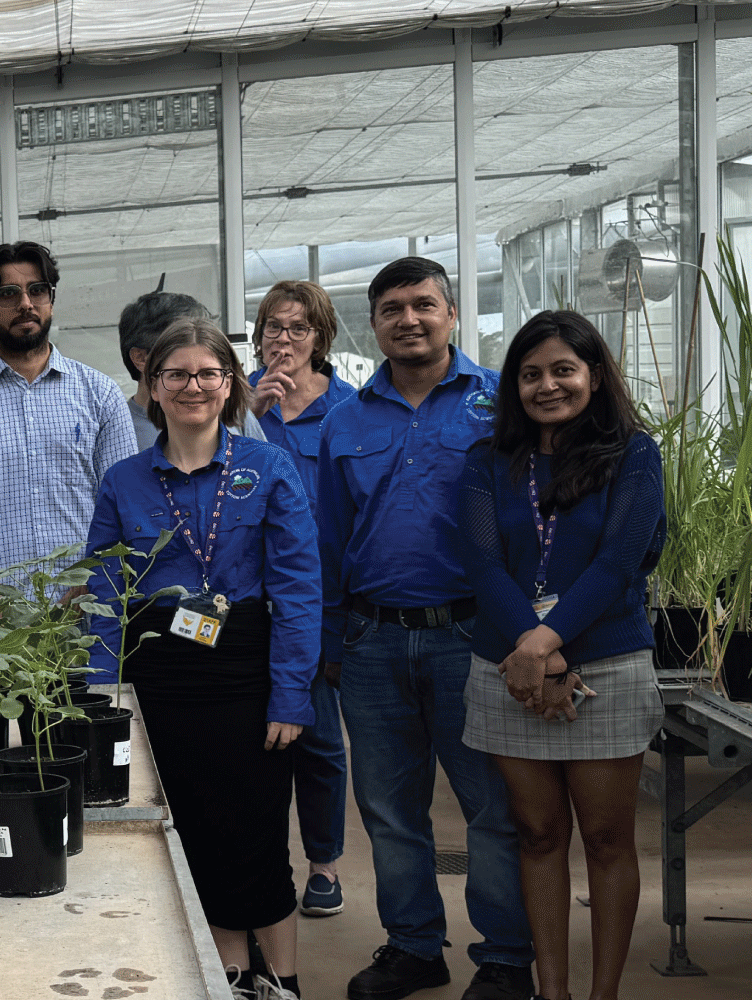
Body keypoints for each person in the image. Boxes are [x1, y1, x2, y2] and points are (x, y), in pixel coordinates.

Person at [319, 257, 535, 1000]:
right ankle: (414, 946)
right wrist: (330, 640)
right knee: (387, 808)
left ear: (450, 313)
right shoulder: (345, 419)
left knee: (490, 807)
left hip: (475, 637)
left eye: (423, 305)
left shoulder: (500, 404)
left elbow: (531, 522)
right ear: (373, 323)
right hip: (372, 640)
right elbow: (328, 538)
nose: (408, 320)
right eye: (391, 309)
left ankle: (506, 958)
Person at [84, 317, 317, 1000]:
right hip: (158, 672)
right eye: (176, 374)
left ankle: (283, 981)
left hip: (248, 668)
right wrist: (106, 699)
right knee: (188, 828)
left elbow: (300, 589)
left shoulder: (268, 468)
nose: (193, 386)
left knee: (257, 828)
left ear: (230, 385)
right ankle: (227, 977)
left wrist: (291, 695)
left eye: (208, 373)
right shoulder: (124, 480)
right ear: (151, 387)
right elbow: (103, 593)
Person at [457, 311, 665, 1000]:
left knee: (607, 840)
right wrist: (533, 654)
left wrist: (544, 645)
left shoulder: (634, 454)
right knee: (538, 834)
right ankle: (553, 992)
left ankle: (601, 995)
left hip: (603, 664)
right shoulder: (486, 462)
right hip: (510, 671)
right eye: (530, 373)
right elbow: (484, 568)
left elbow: (618, 564)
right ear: (513, 385)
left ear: (595, 375)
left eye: (563, 370)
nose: (547, 385)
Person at [0, 241, 137, 605]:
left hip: (90, 620)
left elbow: (127, 508)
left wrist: (84, 593)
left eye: (37, 290)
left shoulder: (100, 395)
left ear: (50, 301)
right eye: (8, 293)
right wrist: (9, 617)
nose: (26, 303)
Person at [245, 280, 359, 920]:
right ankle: (264, 860)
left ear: (320, 338)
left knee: (315, 736)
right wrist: (253, 415)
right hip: (247, 601)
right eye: (271, 329)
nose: (282, 341)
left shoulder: (348, 410)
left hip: (320, 601)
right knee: (254, 739)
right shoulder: (241, 407)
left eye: (296, 329)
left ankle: (325, 864)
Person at [117, 285, 266, 442]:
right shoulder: (118, 431)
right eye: (179, 343)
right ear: (141, 358)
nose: (194, 386)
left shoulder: (235, 414)